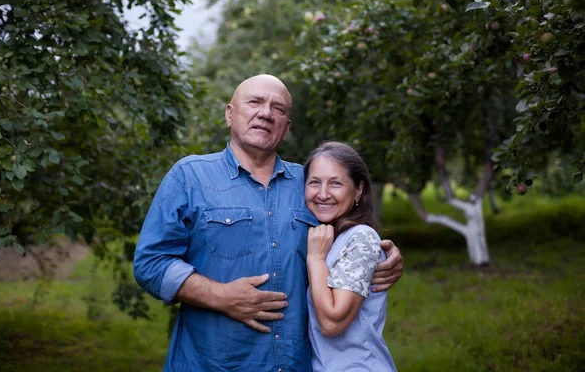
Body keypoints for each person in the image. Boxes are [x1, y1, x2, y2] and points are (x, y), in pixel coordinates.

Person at [133, 74, 403, 371]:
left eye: (278, 108)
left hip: (295, 363)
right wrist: (220, 296)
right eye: (255, 102)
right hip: (212, 363)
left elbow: (349, 242)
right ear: (229, 114)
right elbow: (150, 263)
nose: (265, 113)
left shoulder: (310, 186)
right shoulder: (189, 176)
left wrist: (384, 257)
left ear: (286, 127)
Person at [304, 141, 396, 371]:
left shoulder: (361, 238)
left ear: (358, 190)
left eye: (336, 183)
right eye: (315, 182)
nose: (323, 194)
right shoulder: (327, 236)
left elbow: (332, 323)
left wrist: (315, 260)